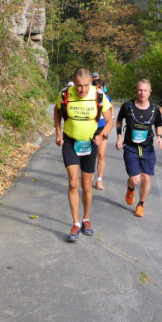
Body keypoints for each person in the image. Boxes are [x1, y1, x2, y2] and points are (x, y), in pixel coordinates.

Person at [54, 67, 114, 242]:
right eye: (79, 85)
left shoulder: (99, 95)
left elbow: (109, 121)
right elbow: (57, 111)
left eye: (86, 85)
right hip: (70, 142)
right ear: (74, 82)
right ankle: (75, 224)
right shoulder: (65, 93)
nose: (82, 90)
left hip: (90, 142)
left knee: (86, 186)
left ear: (91, 83)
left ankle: (86, 219)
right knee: (74, 182)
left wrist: (102, 136)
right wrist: (58, 132)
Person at [115, 79, 162, 217]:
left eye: (145, 90)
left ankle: (140, 205)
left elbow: (158, 124)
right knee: (135, 180)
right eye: (140, 90)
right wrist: (119, 137)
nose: (142, 93)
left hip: (147, 148)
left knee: (146, 178)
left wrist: (159, 137)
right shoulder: (127, 106)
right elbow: (119, 120)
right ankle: (130, 188)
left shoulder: (154, 109)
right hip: (131, 147)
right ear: (136, 91)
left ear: (150, 92)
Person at [93, 78, 113, 190]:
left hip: (101, 129)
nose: (98, 88)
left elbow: (111, 109)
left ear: (103, 88)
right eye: (95, 86)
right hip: (89, 129)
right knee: (89, 154)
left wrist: (111, 119)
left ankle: (99, 180)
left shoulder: (106, 98)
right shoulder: (88, 97)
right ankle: (90, 173)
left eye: (100, 86)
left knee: (101, 155)